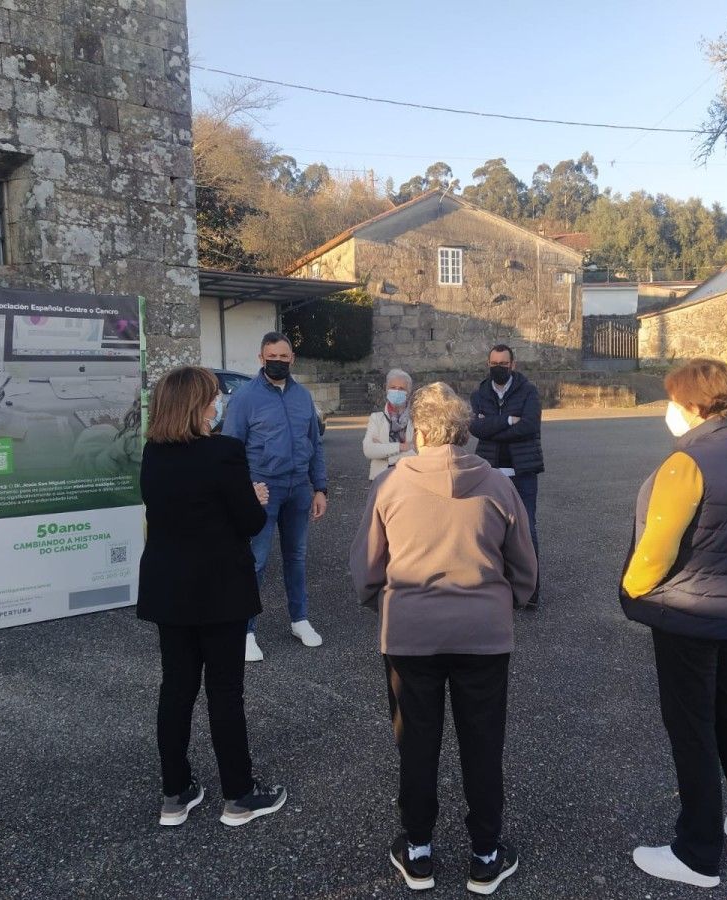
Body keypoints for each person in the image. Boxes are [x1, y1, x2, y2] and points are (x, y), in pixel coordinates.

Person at [350, 382, 537, 895]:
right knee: (483, 743)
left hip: (411, 634)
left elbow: (367, 568)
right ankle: (485, 853)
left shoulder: (390, 486)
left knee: (417, 742)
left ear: (422, 431)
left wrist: (386, 604)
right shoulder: (499, 487)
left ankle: (418, 850)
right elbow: (525, 567)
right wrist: (507, 602)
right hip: (483, 633)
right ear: (464, 430)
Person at [619, 358, 727, 890]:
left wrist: (632, 589)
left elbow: (658, 546)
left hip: (688, 614)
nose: (666, 410)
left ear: (693, 405)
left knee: (692, 728)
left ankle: (697, 852)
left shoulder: (687, 461)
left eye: (671, 400)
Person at [136, 366, 286, 830]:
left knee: (176, 689)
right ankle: (239, 795)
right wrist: (254, 498)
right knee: (225, 692)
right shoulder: (224, 452)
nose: (219, 405)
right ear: (198, 405)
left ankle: (175, 793)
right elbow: (247, 522)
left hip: (168, 588)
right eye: (214, 398)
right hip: (219, 590)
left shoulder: (153, 454)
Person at [222, 332, 328, 662]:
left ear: (292, 359)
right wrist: (242, 490)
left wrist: (320, 487)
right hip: (262, 491)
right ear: (261, 357)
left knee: (296, 558)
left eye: (284, 356)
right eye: (272, 356)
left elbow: (315, 445)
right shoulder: (245, 398)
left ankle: (299, 619)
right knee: (256, 561)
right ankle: (246, 631)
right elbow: (230, 451)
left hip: (298, 490)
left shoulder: (302, 397)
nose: (278, 362)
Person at [469, 344, 544, 609]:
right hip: (490, 471)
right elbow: (475, 427)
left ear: (513, 364)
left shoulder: (528, 391)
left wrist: (493, 427)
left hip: (522, 472)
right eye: (493, 364)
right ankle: (495, 588)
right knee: (488, 530)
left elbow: (530, 425)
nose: (498, 368)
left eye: (503, 364)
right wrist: (508, 421)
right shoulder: (480, 392)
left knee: (526, 529)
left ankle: (531, 591)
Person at [363, 368, 417, 480]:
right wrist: (403, 447)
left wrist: (384, 451)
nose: (397, 391)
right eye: (393, 388)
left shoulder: (417, 419)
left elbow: (419, 452)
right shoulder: (376, 418)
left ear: (408, 392)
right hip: (380, 480)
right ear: (387, 389)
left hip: (410, 478)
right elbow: (369, 450)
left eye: (401, 388)